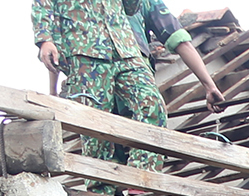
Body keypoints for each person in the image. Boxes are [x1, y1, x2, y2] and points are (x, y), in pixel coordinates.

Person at [32, 0, 224, 176]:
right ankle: (103, 189)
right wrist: (45, 41)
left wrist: (209, 85)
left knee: (152, 106)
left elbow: (139, 13)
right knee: (95, 126)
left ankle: (143, 177)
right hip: (88, 57)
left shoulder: (149, 5)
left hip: (126, 52)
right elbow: (46, 9)